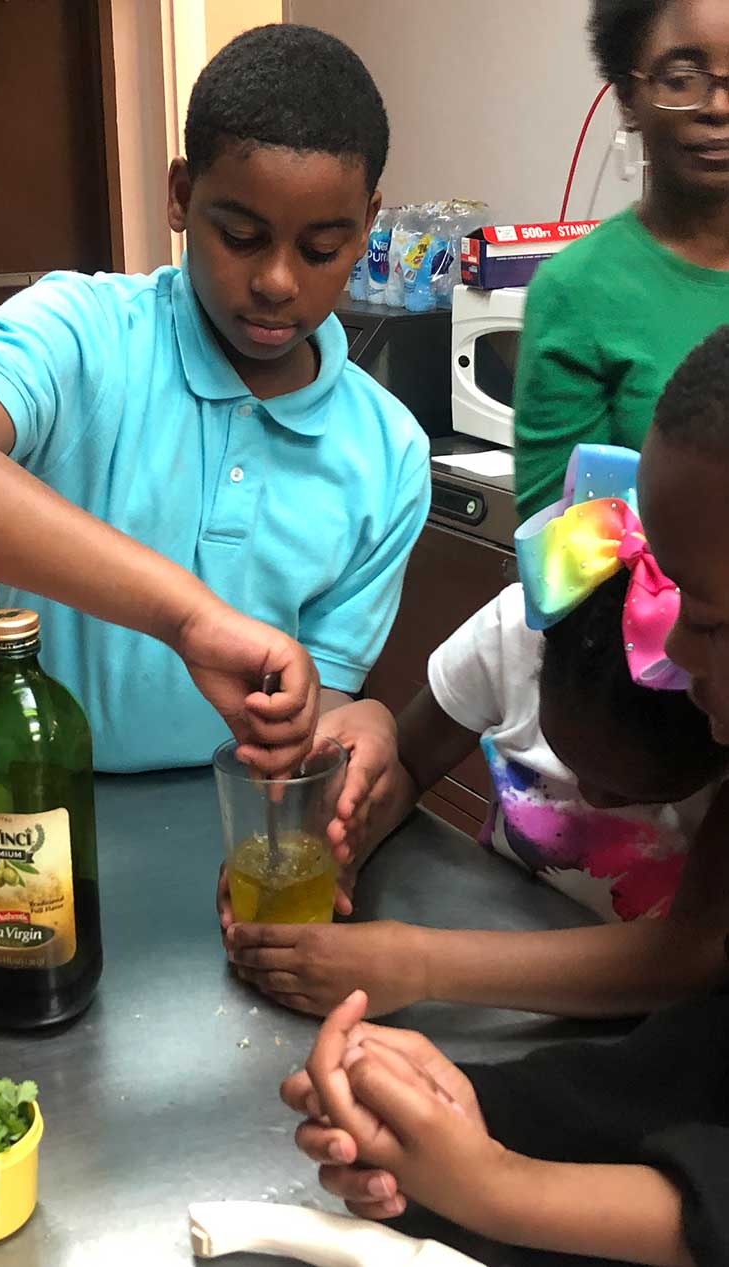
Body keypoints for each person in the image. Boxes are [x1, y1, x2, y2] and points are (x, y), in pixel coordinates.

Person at [0, 26, 430, 815]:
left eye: (321, 248)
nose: (277, 281)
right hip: (26, 802)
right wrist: (188, 618)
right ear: (182, 196)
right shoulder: (85, 334)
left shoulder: (388, 455)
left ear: (367, 223)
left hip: (222, 821)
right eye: (241, 236)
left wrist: (349, 728)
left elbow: (305, 713)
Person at [282, 326, 729, 1267]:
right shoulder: (536, 624)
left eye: (715, 621)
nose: (685, 650)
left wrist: (491, 1181)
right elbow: (675, 1077)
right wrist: (469, 1108)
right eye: (681, 604)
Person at [223, 447, 729, 1020]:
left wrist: (420, 964)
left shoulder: (722, 700)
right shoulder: (517, 629)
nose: (591, 798)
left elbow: (694, 949)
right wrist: (341, 843)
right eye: (573, 765)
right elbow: (409, 763)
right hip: (497, 922)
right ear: (538, 659)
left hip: (655, 1024)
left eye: (639, 795)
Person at [514, 0, 729, 520]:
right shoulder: (577, 292)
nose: (719, 105)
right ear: (628, 98)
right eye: (682, 77)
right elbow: (567, 563)